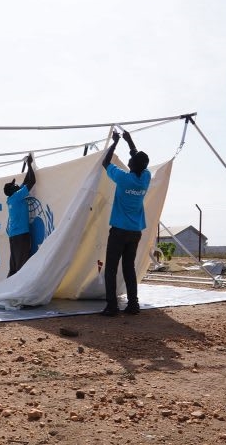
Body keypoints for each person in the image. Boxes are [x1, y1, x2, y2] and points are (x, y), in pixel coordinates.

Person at [100, 129, 151, 317]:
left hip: (119, 231)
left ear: (132, 165)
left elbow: (105, 162)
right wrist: (130, 142)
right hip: (135, 232)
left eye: (130, 160)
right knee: (129, 268)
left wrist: (115, 142)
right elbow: (138, 160)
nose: (128, 160)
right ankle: (133, 305)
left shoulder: (123, 178)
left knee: (111, 269)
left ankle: (112, 306)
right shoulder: (145, 178)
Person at [3, 154, 36, 277]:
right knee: (21, 263)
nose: (17, 185)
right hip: (20, 234)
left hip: (14, 234)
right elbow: (32, 181)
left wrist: (29, 165)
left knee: (14, 263)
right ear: (12, 190)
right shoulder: (16, 196)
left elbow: (26, 181)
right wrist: (29, 164)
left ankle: (8, 286)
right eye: (14, 186)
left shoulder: (13, 197)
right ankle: (17, 289)